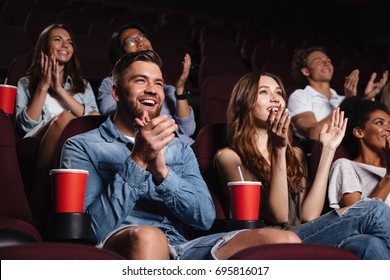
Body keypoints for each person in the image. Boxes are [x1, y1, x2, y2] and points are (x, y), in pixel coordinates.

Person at [59, 50, 300, 260]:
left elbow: (204, 218)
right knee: (150, 238)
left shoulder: (179, 148)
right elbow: (92, 229)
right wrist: (138, 160)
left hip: (183, 248)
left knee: (284, 241)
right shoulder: (82, 146)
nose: (152, 90)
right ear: (116, 92)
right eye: (141, 81)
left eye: (158, 84)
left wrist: (163, 174)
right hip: (122, 246)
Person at [215, 72, 390, 259]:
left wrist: (328, 150)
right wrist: (278, 150)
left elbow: (309, 215)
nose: (275, 98)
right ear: (245, 102)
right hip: (272, 240)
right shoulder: (229, 157)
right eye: (264, 92)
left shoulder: (295, 154)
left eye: (279, 93)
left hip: (305, 233)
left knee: (369, 243)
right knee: (373, 210)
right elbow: (279, 215)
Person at [14, 23, 99, 229]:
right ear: (44, 46)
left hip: (73, 140)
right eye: (58, 39)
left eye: (69, 42)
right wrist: (43, 86)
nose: (65, 45)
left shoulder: (82, 85)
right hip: (38, 137)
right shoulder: (26, 83)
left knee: (72, 117)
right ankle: (35, 205)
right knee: (64, 118)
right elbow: (25, 125)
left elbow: (95, 117)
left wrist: (60, 90)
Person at [97, 22, 196, 145]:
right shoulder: (110, 83)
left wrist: (180, 90)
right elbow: (114, 116)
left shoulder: (168, 90)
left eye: (142, 37)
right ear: (120, 53)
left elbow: (187, 130)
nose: (140, 42)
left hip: (183, 145)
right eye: (130, 41)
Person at [288, 46, 388, 143]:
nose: (326, 63)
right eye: (318, 61)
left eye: (328, 61)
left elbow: (363, 130)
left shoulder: (342, 99)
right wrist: (347, 103)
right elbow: (313, 134)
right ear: (306, 71)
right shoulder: (299, 96)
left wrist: (366, 99)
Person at [328, 96, 390, 208]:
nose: (388, 128)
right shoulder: (345, 166)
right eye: (380, 122)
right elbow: (358, 218)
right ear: (359, 132)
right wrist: (388, 177)